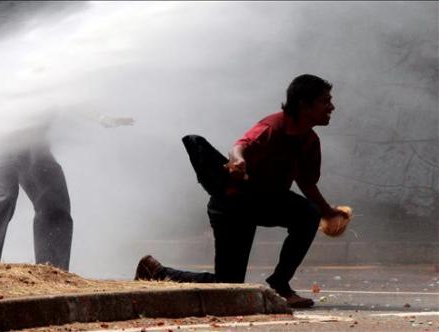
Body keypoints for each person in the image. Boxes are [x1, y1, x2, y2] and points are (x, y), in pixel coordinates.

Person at [134, 74, 349, 308]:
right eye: (325, 101)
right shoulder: (272, 127)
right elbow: (239, 147)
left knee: (308, 213)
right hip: (232, 206)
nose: (332, 107)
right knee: (228, 286)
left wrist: (327, 211)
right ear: (304, 104)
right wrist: (237, 162)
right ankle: (157, 272)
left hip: (267, 200)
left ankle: (280, 283)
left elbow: (306, 183)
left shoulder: (310, 141)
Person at [0, 126, 73, 271]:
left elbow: (68, 104)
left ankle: (52, 270)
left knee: (53, 200)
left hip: (32, 144)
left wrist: (100, 116)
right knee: (4, 195)